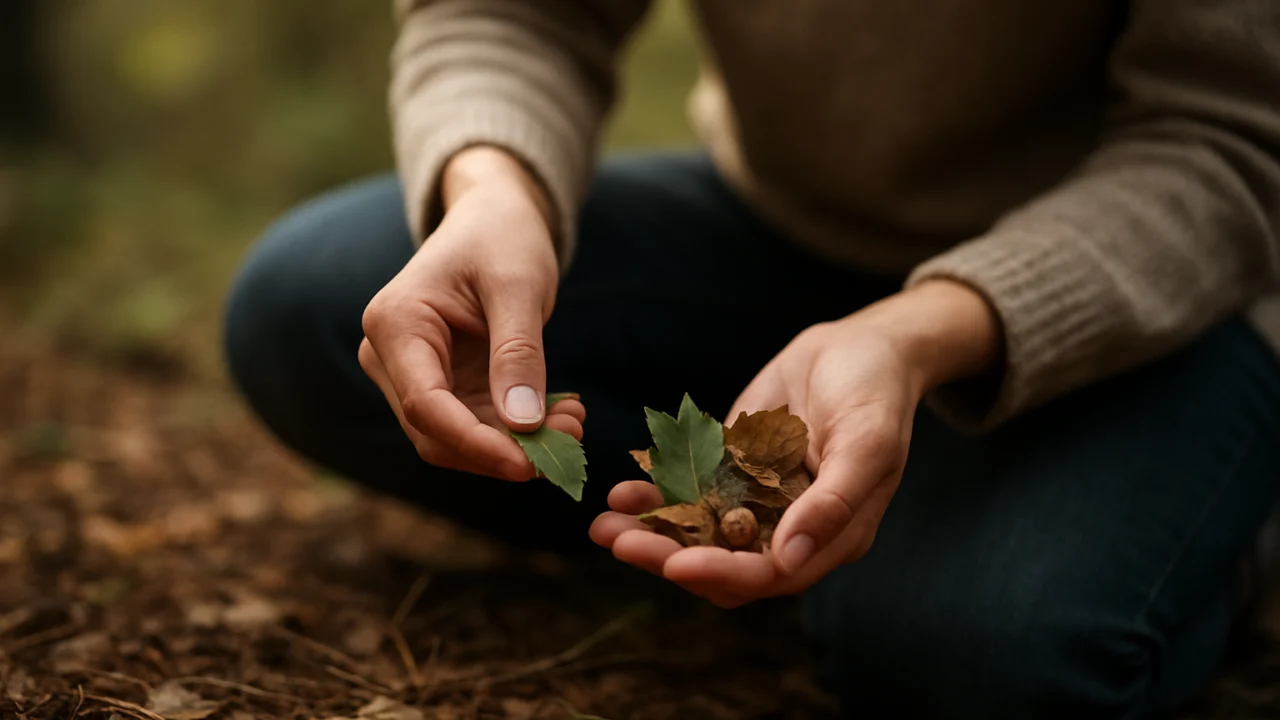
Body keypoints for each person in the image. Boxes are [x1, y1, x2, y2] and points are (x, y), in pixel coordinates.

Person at [222, 1, 1280, 717]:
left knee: (987, 656)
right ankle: (824, 541)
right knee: (310, 307)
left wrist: (914, 336)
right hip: (778, 224)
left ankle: (1191, 526)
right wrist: (495, 189)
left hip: (1150, 286)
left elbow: (1228, 136)